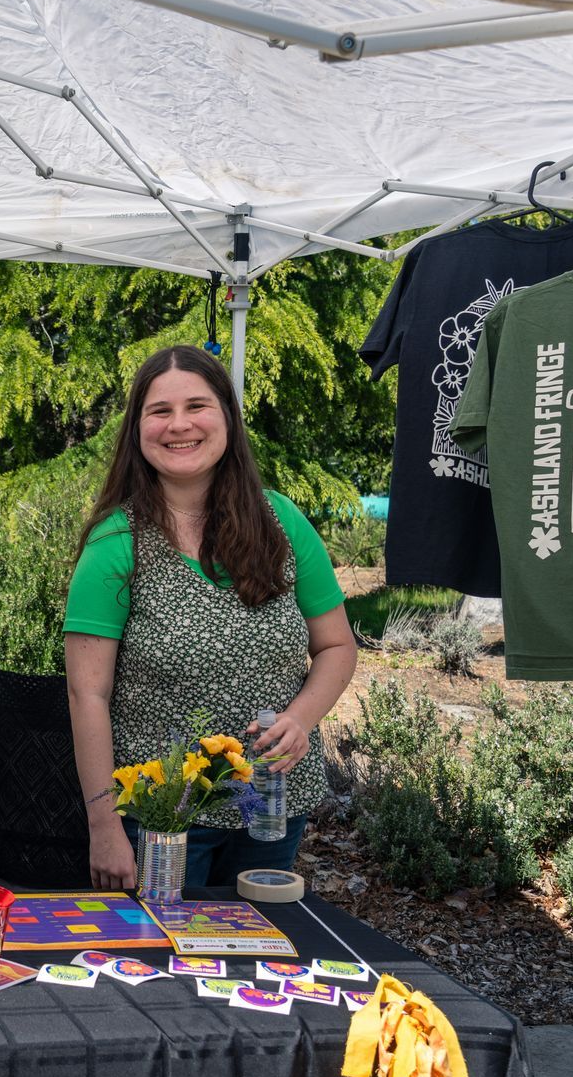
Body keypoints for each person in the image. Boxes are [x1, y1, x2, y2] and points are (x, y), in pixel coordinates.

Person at [63, 344, 357, 891]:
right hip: (163, 818)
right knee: (163, 961)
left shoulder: (282, 521)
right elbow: (88, 695)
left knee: (255, 959)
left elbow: (337, 647)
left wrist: (302, 719)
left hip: (269, 808)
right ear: (137, 429)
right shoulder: (115, 542)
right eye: (159, 411)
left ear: (226, 416)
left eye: (197, 406)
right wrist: (103, 826)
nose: (179, 425)